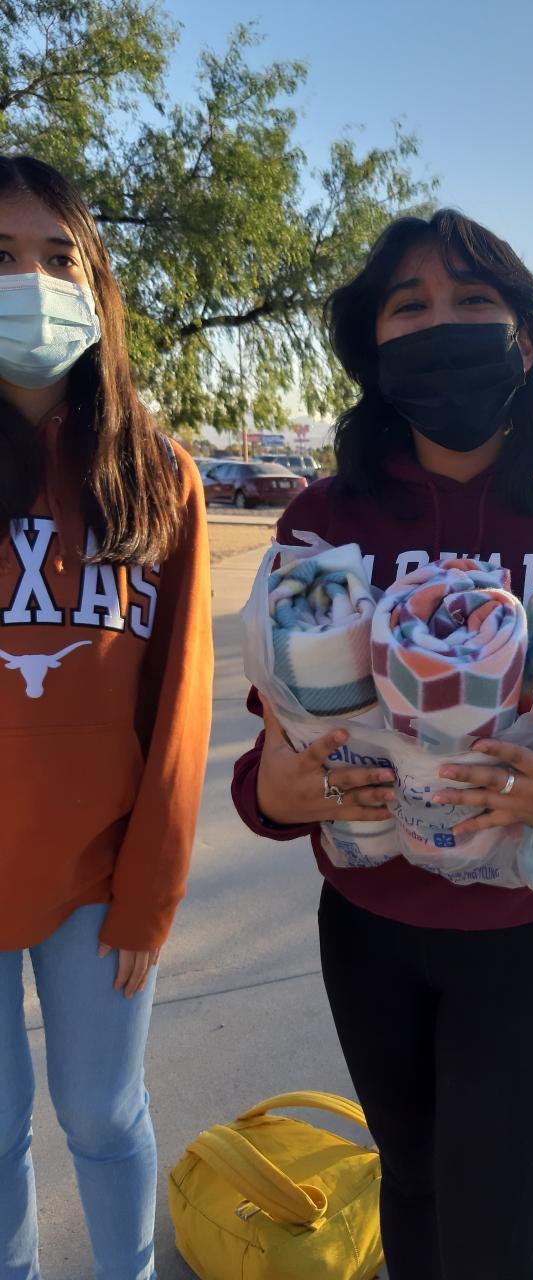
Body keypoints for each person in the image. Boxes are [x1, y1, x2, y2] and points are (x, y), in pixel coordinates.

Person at [232, 208, 533, 1280]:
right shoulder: (320, 524)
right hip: (370, 931)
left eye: (473, 301)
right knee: (410, 1193)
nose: (442, 324)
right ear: (373, 347)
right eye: (410, 307)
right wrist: (270, 797)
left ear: (527, 338)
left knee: (497, 1240)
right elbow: (275, 738)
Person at [0, 155, 213, 1280]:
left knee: (101, 1109)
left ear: (97, 287)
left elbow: (181, 705)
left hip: (98, 878)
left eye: (56, 257)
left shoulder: (157, 476)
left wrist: (152, 888)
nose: (30, 284)